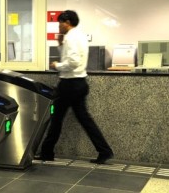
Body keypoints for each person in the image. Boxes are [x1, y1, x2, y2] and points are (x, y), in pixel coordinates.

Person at [35, 10, 113, 164]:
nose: (58, 26)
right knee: (84, 119)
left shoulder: (71, 38)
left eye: (60, 23)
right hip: (79, 83)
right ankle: (104, 151)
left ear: (67, 22)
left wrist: (57, 65)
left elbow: (73, 62)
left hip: (69, 84)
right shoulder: (78, 36)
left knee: (57, 118)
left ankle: (47, 152)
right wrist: (60, 45)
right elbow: (71, 57)